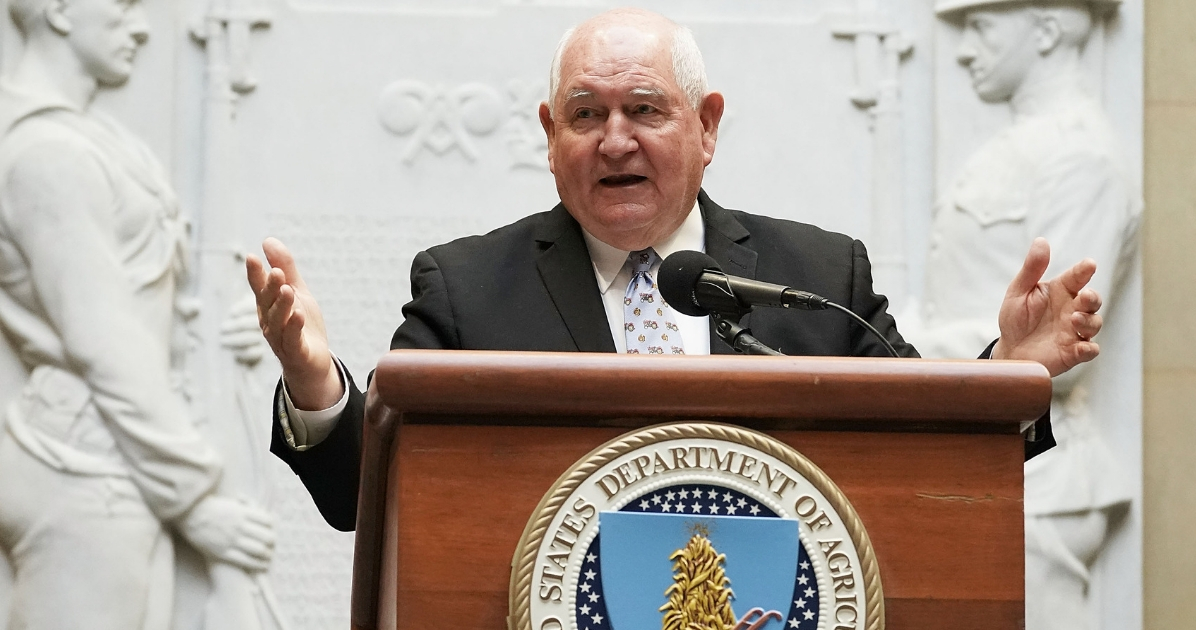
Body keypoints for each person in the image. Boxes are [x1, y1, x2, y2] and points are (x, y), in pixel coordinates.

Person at [248, 8, 1105, 533]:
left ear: (707, 124)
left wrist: (1012, 376)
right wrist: (316, 382)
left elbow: (924, 452)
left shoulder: (815, 274)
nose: (614, 139)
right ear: (551, 136)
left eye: (644, 110)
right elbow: (368, 499)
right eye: (586, 114)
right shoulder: (467, 287)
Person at [0, 0, 275, 628]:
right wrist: (195, 501)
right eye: (123, 6)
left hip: (117, 459)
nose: (144, 25)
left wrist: (221, 324)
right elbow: (105, 340)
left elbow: (141, 296)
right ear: (62, 12)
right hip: (84, 470)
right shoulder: (46, 155)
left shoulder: (95, 137)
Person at [902, 1, 1140, 628]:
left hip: (1043, 477)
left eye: (981, 26)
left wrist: (889, 345)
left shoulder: (1082, 156)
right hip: (985, 460)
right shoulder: (1017, 146)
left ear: (1048, 29)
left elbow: (1064, 345)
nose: (962, 50)